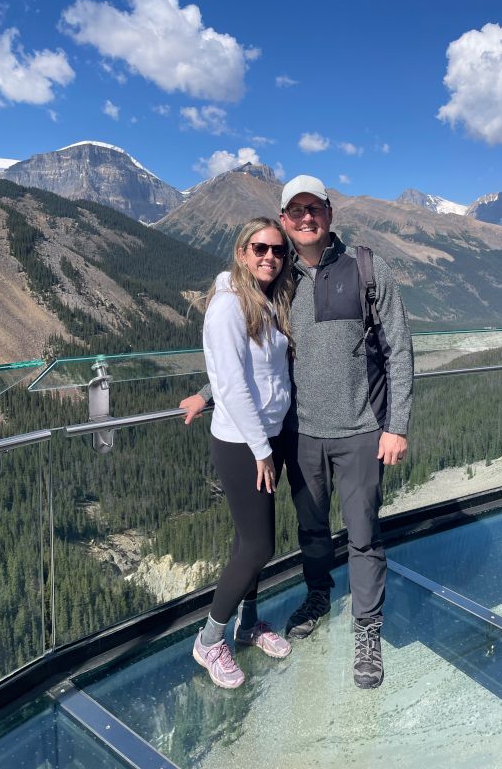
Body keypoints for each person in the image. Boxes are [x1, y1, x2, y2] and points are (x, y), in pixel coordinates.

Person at [182, 177, 413, 690]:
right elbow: (246, 358)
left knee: (363, 536)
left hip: (359, 430)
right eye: (296, 211)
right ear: (284, 219)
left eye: (315, 208)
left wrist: (397, 425)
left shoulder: (367, 268)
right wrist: (208, 392)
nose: (306, 217)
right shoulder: (280, 280)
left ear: (329, 213)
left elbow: (399, 349)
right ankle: (316, 595)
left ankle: (367, 633)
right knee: (310, 530)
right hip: (299, 434)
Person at [184, 217, 294, 690]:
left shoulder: (267, 300)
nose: (270, 256)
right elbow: (231, 378)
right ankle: (209, 640)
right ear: (242, 251)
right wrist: (261, 451)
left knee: (250, 541)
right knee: (258, 546)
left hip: (267, 437)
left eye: (278, 250)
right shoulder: (228, 305)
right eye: (260, 248)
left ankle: (248, 624)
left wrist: (203, 393)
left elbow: (250, 369)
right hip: (243, 443)